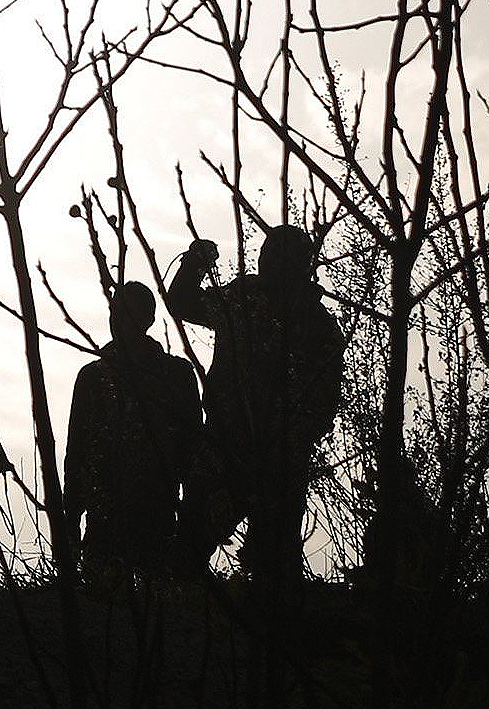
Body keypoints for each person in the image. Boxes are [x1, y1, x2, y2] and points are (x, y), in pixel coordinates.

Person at [170, 229, 345, 587]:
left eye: (275, 254)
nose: (266, 260)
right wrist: (195, 263)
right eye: (265, 252)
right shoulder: (245, 298)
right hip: (227, 442)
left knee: (274, 565)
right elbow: (183, 303)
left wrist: (295, 436)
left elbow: (325, 401)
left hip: (279, 457)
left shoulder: (316, 324)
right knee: (190, 546)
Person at [65, 281, 201, 585]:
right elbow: (76, 451)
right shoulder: (92, 377)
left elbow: (193, 448)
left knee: (159, 607)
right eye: (114, 313)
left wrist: (193, 515)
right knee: (103, 607)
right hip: (103, 515)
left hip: (158, 511)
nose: (118, 322)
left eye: (126, 314)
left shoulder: (177, 376)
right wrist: (71, 515)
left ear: (147, 320)